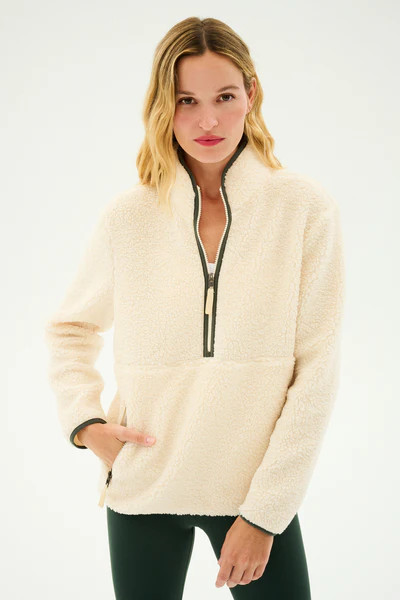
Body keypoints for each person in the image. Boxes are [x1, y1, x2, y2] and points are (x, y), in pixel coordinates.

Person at [44, 16, 345, 600]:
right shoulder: (129, 216)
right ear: (165, 105)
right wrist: (86, 425)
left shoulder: (304, 210)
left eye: (224, 97)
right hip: (142, 489)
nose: (208, 121)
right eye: (187, 101)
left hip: (252, 496)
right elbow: (70, 328)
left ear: (251, 95)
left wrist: (265, 514)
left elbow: (317, 372)